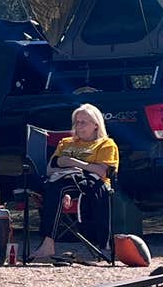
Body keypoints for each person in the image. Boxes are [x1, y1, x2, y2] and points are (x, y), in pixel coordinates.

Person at [28, 103, 119, 260]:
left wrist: (73, 162)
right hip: (63, 181)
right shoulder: (66, 142)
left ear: (96, 125)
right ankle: (48, 243)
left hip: (92, 184)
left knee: (57, 189)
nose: (79, 126)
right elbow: (50, 169)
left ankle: (102, 245)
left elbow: (103, 171)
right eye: (77, 122)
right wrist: (78, 166)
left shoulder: (106, 144)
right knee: (52, 187)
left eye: (84, 122)